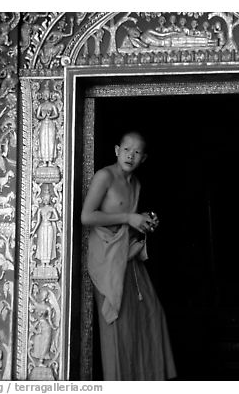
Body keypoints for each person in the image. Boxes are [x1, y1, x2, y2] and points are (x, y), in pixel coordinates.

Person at [81, 131, 176, 380]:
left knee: (151, 315)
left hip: (127, 254)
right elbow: (87, 217)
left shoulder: (136, 184)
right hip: (107, 257)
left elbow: (127, 221)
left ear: (143, 158)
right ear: (116, 150)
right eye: (126, 149)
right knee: (118, 326)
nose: (130, 155)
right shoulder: (105, 176)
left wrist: (142, 222)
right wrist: (128, 218)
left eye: (136, 152)